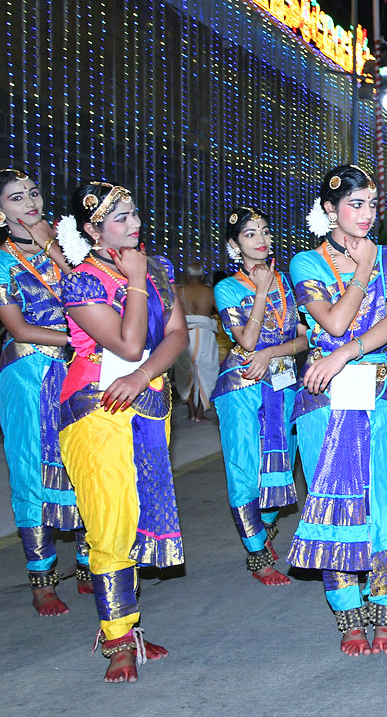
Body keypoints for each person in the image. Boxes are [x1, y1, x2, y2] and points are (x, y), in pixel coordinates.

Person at [56, 182, 188, 682]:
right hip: (98, 407)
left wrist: (140, 376)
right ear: (91, 231)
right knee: (110, 517)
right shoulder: (82, 282)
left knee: (135, 516)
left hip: (147, 402)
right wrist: (134, 281)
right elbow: (128, 345)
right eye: (119, 220)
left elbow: (174, 334)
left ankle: (128, 625)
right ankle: (117, 642)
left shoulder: (156, 269)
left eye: (134, 214)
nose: (133, 225)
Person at [288, 165, 387, 656]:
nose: (366, 213)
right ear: (328, 209)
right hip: (325, 399)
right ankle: (349, 617)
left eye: (372, 204)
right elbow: (335, 321)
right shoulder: (305, 263)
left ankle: (385, 609)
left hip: (378, 392)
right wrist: (362, 273)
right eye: (355, 203)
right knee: (336, 501)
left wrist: (345, 352)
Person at [0, 168, 88, 616]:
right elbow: (16, 326)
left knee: (86, 457)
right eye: (16, 198)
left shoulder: (65, 245)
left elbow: (85, 284)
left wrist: (52, 242)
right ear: (1, 210)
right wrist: (80, 339)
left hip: (79, 367)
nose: (29, 203)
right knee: (32, 466)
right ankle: (43, 580)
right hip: (31, 371)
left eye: (33, 193)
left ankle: (92, 563)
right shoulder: (2, 260)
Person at [213, 208, 308, 585]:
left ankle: (262, 532)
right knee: (244, 468)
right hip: (242, 386)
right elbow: (247, 342)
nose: (261, 239)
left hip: (282, 381)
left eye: (265, 231)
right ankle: (257, 556)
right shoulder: (227, 287)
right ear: (234, 246)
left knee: (281, 463)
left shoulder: (285, 281)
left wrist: (274, 353)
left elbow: (304, 338)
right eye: (250, 235)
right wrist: (263, 290)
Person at [174, 264, 219, 421]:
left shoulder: (178, 291)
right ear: (202, 276)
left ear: (187, 276)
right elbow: (219, 311)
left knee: (186, 372)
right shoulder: (209, 291)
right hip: (205, 334)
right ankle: (200, 413)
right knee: (206, 373)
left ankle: (191, 412)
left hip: (184, 334)